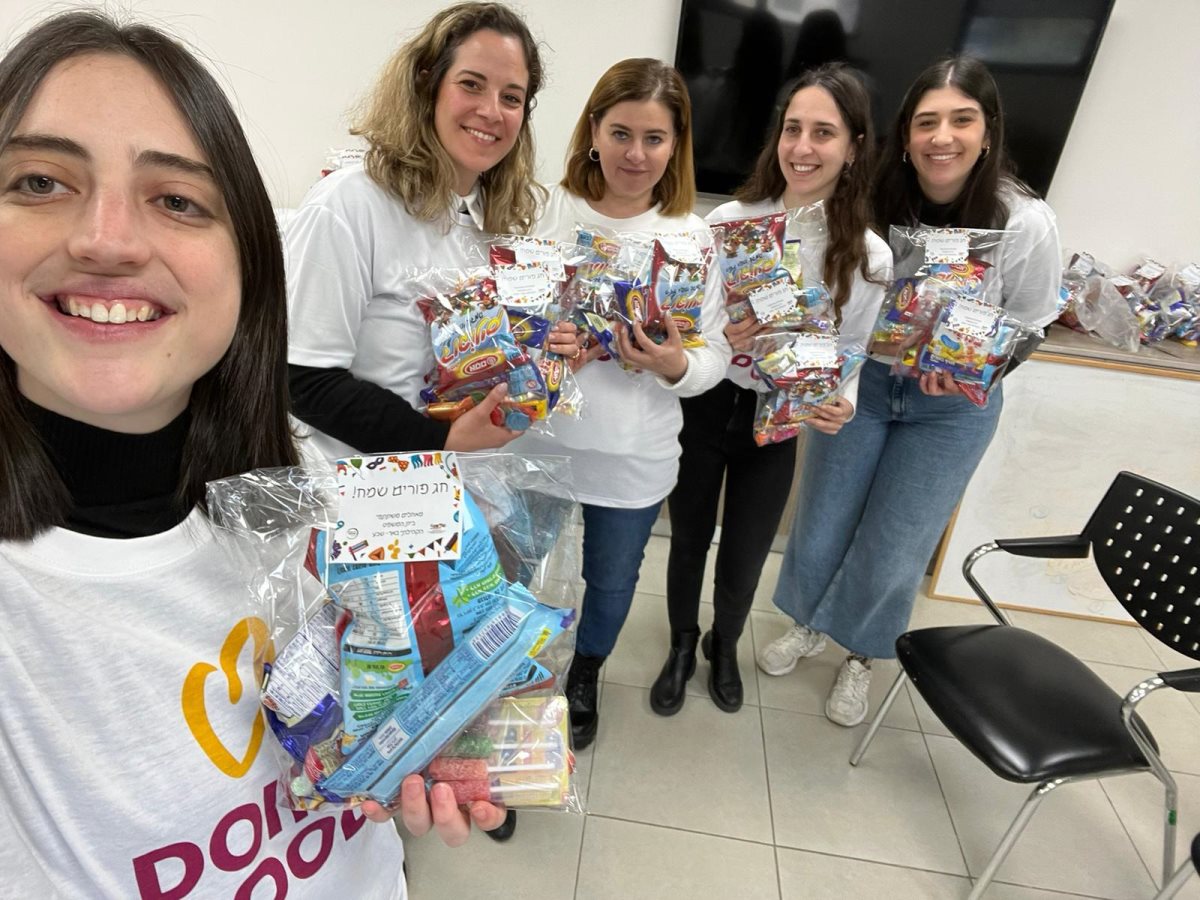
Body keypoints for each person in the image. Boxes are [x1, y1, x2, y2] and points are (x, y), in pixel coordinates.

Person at [0, 12, 506, 897]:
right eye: (40, 181)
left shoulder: (292, 483)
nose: (107, 239)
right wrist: (435, 438)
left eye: (177, 199)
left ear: (247, 269)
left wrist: (428, 721)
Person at [757, 56, 1061, 726]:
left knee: (898, 540)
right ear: (905, 133)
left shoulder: (1024, 220)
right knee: (823, 516)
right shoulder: (870, 197)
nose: (941, 138)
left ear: (988, 131)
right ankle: (808, 622)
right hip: (864, 386)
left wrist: (977, 371)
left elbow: (1033, 323)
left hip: (950, 410)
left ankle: (862, 653)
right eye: (926, 122)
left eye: (961, 120)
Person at [653, 64, 891, 716]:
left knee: (747, 549)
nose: (802, 148)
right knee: (688, 537)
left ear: (854, 147)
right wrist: (720, 331)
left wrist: (843, 397)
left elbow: (855, 349)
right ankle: (681, 644)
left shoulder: (869, 255)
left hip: (779, 416)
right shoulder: (730, 222)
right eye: (792, 129)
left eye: (823, 133)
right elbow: (692, 325)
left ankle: (724, 644)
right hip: (708, 405)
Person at [512, 58, 730, 750]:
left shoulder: (693, 238)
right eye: (621, 133)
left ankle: (585, 672)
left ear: (676, 145)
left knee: (609, 583)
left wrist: (673, 366)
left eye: (654, 138)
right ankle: (510, 672)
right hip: (536, 447)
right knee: (517, 574)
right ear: (593, 132)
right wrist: (543, 339)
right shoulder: (540, 211)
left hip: (632, 456)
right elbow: (498, 322)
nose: (636, 154)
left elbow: (714, 358)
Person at [285, 2, 577, 463]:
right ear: (428, 83)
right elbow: (303, 380)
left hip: (460, 486)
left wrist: (547, 351)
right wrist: (439, 442)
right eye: (471, 84)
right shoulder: (350, 202)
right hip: (361, 493)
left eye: (511, 97)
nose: (491, 111)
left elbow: (477, 357)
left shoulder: (496, 219)